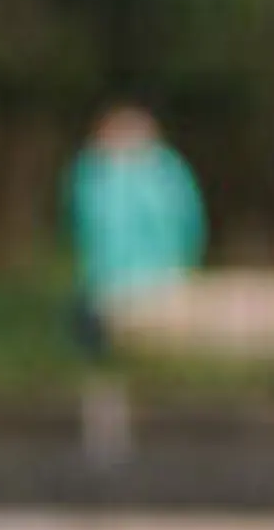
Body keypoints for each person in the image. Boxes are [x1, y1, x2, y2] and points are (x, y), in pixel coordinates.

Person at [64, 104, 205, 361]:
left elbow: (186, 220)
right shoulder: (94, 170)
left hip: (156, 273)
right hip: (108, 276)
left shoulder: (163, 171)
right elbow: (83, 224)